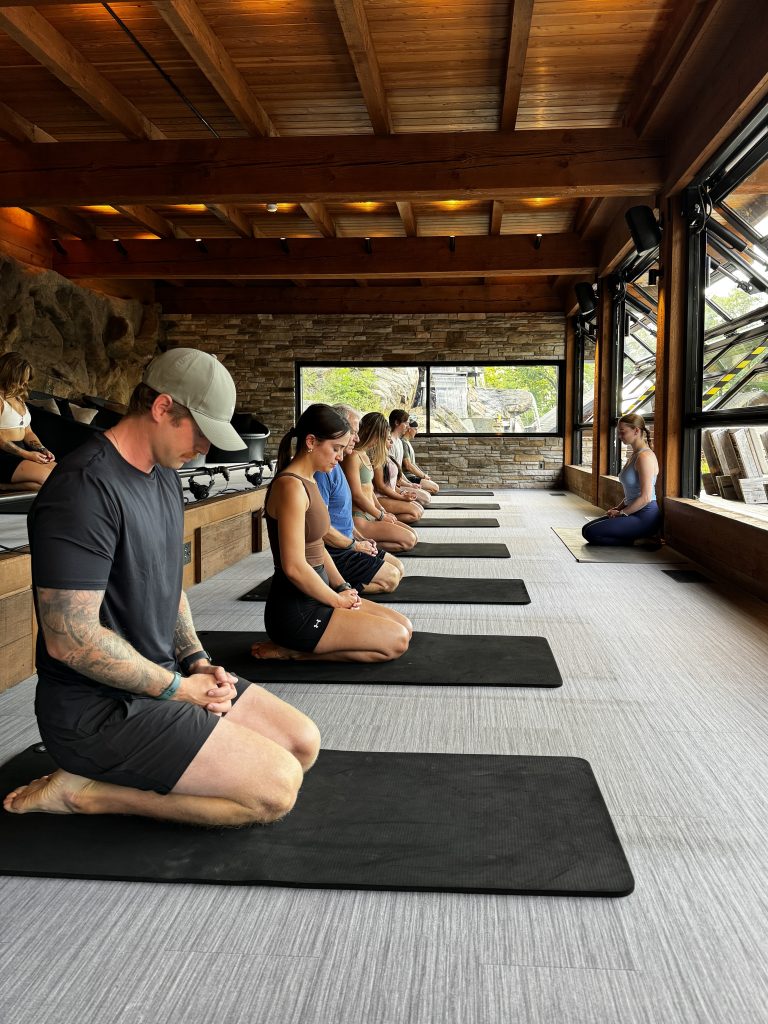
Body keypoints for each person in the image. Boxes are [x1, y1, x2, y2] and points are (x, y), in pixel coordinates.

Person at [4, 347, 319, 828]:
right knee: (274, 791)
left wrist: (196, 661)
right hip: (97, 712)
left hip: (164, 681)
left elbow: (168, 588)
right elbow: (72, 638)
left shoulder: (164, 477)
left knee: (301, 743)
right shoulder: (83, 488)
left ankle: (139, 760)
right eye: (201, 433)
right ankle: (85, 793)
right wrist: (178, 690)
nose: (206, 451)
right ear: (162, 408)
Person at [252, 403, 412, 662]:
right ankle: (295, 652)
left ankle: (302, 644)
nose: (340, 456)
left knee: (405, 626)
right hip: (297, 609)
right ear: (311, 441)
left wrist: (341, 587)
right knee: (396, 642)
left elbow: (318, 546)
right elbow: (293, 566)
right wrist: (336, 601)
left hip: (321, 591)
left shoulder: (311, 479)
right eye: (336, 449)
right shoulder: (290, 486)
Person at [313, 404, 405, 594]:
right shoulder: (323, 471)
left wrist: (362, 539)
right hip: (337, 551)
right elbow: (320, 529)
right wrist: (356, 545)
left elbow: (342, 515)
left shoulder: (335, 465)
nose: (357, 438)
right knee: (391, 579)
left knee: (399, 568)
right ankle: (331, 585)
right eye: (354, 432)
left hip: (349, 541)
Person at [340, 412, 418, 553]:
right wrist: (380, 515)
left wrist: (381, 510)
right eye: (381, 436)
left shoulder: (364, 454)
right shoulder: (353, 457)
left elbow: (369, 489)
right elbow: (356, 494)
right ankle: (360, 546)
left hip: (372, 513)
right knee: (408, 541)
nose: (381, 440)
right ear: (370, 431)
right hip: (360, 517)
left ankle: (366, 543)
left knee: (413, 536)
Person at [582, 413, 661, 546]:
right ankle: (635, 539)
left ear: (636, 431)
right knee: (586, 529)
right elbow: (633, 493)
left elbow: (646, 497)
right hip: (633, 510)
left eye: (622, 432)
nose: (619, 436)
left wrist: (622, 513)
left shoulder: (644, 457)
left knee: (592, 533)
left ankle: (638, 541)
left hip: (645, 516)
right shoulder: (635, 455)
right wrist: (618, 508)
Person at [0, 351, 56, 492]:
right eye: (21, 379)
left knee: (62, 476)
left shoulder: (18, 398)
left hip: (20, 452)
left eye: (26, 379)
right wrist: (27, 455)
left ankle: (3, 487)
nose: (24, 383)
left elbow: (27, 431)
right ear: (9, 374)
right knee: (48, 480)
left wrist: (42, 449)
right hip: (3, 456)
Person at [388, 408, 431, 505]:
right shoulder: (390, 443)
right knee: (425, 498)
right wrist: (407, 486)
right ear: (397, 423)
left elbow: (398, 471)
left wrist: (410, 484)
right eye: (406, 423)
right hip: (393, 485)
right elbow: (395, 471)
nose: (408, 427)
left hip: (399, 482)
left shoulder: (399, 441)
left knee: (427, 497)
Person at [402, 419, 440, 495]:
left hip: (412, 476)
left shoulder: (407, 442)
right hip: (407, 478)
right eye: (415, 429)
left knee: (435, 488)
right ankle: (409, 490)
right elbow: (408, 466)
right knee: (434, 488)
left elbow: (413, 464)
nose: (417, 432)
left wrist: (424, 475)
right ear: (409, 429)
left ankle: (416, 491)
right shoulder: (403, 443)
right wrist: (423, 476)